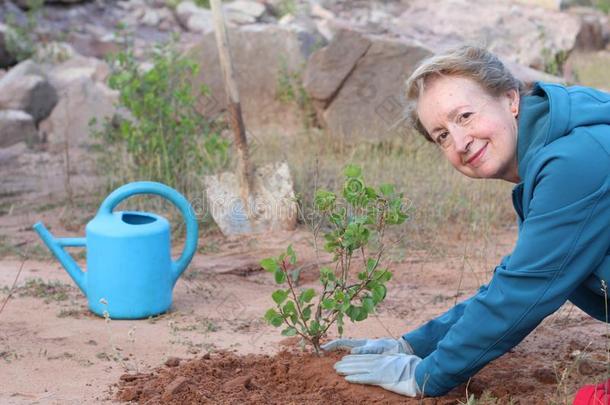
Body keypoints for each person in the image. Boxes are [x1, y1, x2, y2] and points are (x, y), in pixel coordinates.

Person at [321, 45, 610, 398]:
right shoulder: (555, 145)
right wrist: (415, 346)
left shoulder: (574, 161)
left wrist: (426, 375)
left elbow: (524, 291)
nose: (459, 142)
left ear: (510, 100)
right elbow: (519, 277)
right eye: (441, 135)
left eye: (465, 116)